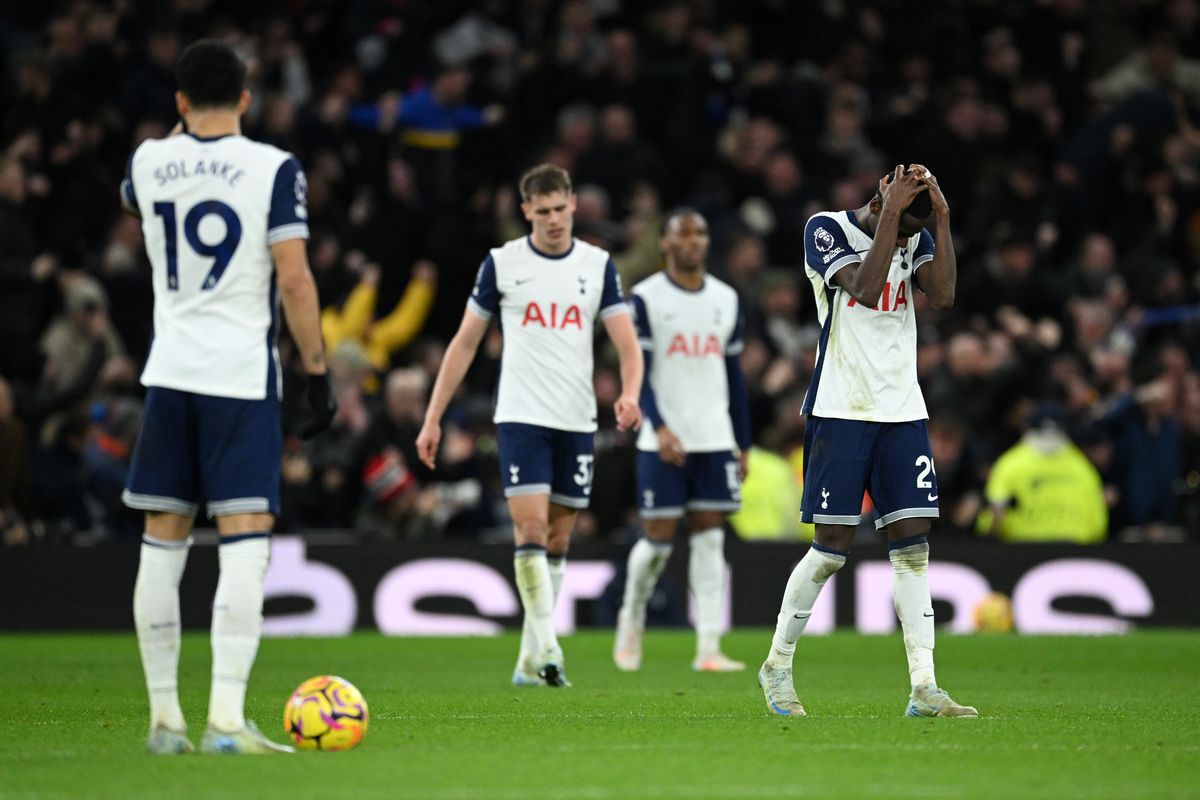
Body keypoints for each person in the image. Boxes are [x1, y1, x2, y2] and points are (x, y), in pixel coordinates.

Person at [119, 40, 336, 754]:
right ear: (248, 99)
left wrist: (179, 133)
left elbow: (134, 191)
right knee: (244, 547)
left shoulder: (148, 160)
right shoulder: (274, 168)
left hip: (169, 374)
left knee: (162, 545)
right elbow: (296, 280)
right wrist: (317, 370)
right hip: (239, 378)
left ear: (179, 102)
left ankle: (162, 720)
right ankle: (224, 721)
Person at [758, 165, 978, 718]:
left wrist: (942, 222)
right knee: (831, 549)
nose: (908, 242)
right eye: (902, 230)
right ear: (881, 201)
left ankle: (925, 687)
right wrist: (893, 220)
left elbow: (945, 296)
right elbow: (865, 285)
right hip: (840, 408)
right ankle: (777, 665)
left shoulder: (917, 234)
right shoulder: (824, 228)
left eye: (912, 235)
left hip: (902, 410)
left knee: (913, 550)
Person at [416, 164, 643, 687]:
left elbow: (627, 345)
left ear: (571, 206)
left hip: (576, 418)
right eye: (542, 212)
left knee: (559, 539)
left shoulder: (597, 265)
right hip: (520, 416)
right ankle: (549, 649)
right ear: (526, 214)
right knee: (531, 529)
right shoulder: (502, 264)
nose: (554, 220)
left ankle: (527, 661)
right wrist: (432, 417)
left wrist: (629, 394)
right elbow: (465, 343)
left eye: (561, 209)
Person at [612, 209, 751, 673]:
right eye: (684, 233)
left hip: (714, 436)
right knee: (657, 542)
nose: (694, 241)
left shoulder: (726, 299)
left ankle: (708, 646)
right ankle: (631, 619)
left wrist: (743, 441)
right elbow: (638, 370)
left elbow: (733, 376)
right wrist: (660, 425)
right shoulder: (646, 299)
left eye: (701, 232)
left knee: (711, 537)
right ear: (665, 244)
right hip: (663, 438)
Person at [979, 402, 1107, 543]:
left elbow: (991, 519)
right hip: (1073, 549)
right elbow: (1097, 522)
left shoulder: (1010, 465)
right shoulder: (1082, 466)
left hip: (1024, 550)